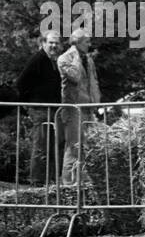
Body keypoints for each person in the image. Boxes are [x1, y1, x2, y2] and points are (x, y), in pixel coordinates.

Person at [16, 28, 63, 184]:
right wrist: (29, 104)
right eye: (51, 43)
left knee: (51, 146)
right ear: (43, 43)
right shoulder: (38, 59)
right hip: (41, 109)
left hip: (51, 109)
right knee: (41, 145)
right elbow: (21, 83)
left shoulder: (52, 61)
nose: (54, 46)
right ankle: (36, 182)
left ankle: (48, 179)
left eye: (56, 43)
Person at [56, 27, 102, 183]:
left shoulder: (88, 59)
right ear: (77, 42)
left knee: (87, 145)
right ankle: (68, 182)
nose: (89, 44)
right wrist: (75, 55)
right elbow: (74, 77)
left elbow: (93, 81)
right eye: (86, 41)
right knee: (73, 145)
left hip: (87, 107)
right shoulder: (64, 59)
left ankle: (83, 179)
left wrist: (96, 101)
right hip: (73, 108)